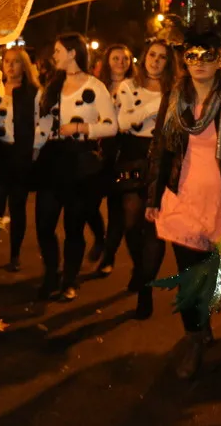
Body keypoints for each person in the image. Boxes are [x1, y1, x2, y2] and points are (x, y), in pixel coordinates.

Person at [147, 29, 221, 379]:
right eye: (192, 56)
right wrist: (152, 195)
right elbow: (161, 149)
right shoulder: (175, 98)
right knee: (189, 275)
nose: (199, 64)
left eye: (207, 56)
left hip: (220, 201)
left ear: (219, 59)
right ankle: (193, 340)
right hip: (181, 198)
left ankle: (202, 320)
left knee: (207, 275)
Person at [34, 34, 118, 302]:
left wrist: (81, 127)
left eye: (58, 51)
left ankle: (69, 280)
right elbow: (43, 121)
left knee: (73, 226)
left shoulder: (95, 87)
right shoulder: (53, 84)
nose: (54, 55)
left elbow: (111, 125)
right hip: (52, 159)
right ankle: (51, 274)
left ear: (72, 53)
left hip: (80, 161)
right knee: (44, 224)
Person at [113, 39, 178, 318]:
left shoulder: (175, 89)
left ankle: (145, 289)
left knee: (154, 227)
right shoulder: (129, 86)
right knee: (130, 221)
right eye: (152, 55)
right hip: (132, 154)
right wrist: (156, 110)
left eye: (162, 57)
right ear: (144, 56)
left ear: (169, 62)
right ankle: (139, 268)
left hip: (163, 157)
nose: (155, 61)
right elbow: (124, 123)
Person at [0, 47, 43, 274]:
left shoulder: (33, 92)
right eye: (7, 61)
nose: (10, 65)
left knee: (18, 208)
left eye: (16, 62)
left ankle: (15, 255)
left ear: (24, 65)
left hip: (20, 156)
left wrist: (34, 153)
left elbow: (39, 124)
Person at [93, 44, 136, 274]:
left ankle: (108, 257)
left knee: (117, 209)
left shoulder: (135, 87)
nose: (120, 62)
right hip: (101, 150)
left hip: (125, 151)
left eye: (125, 58)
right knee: (89, 203)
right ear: (108, 61)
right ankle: (101, 238)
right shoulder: (97, 86)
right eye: (116, 58)